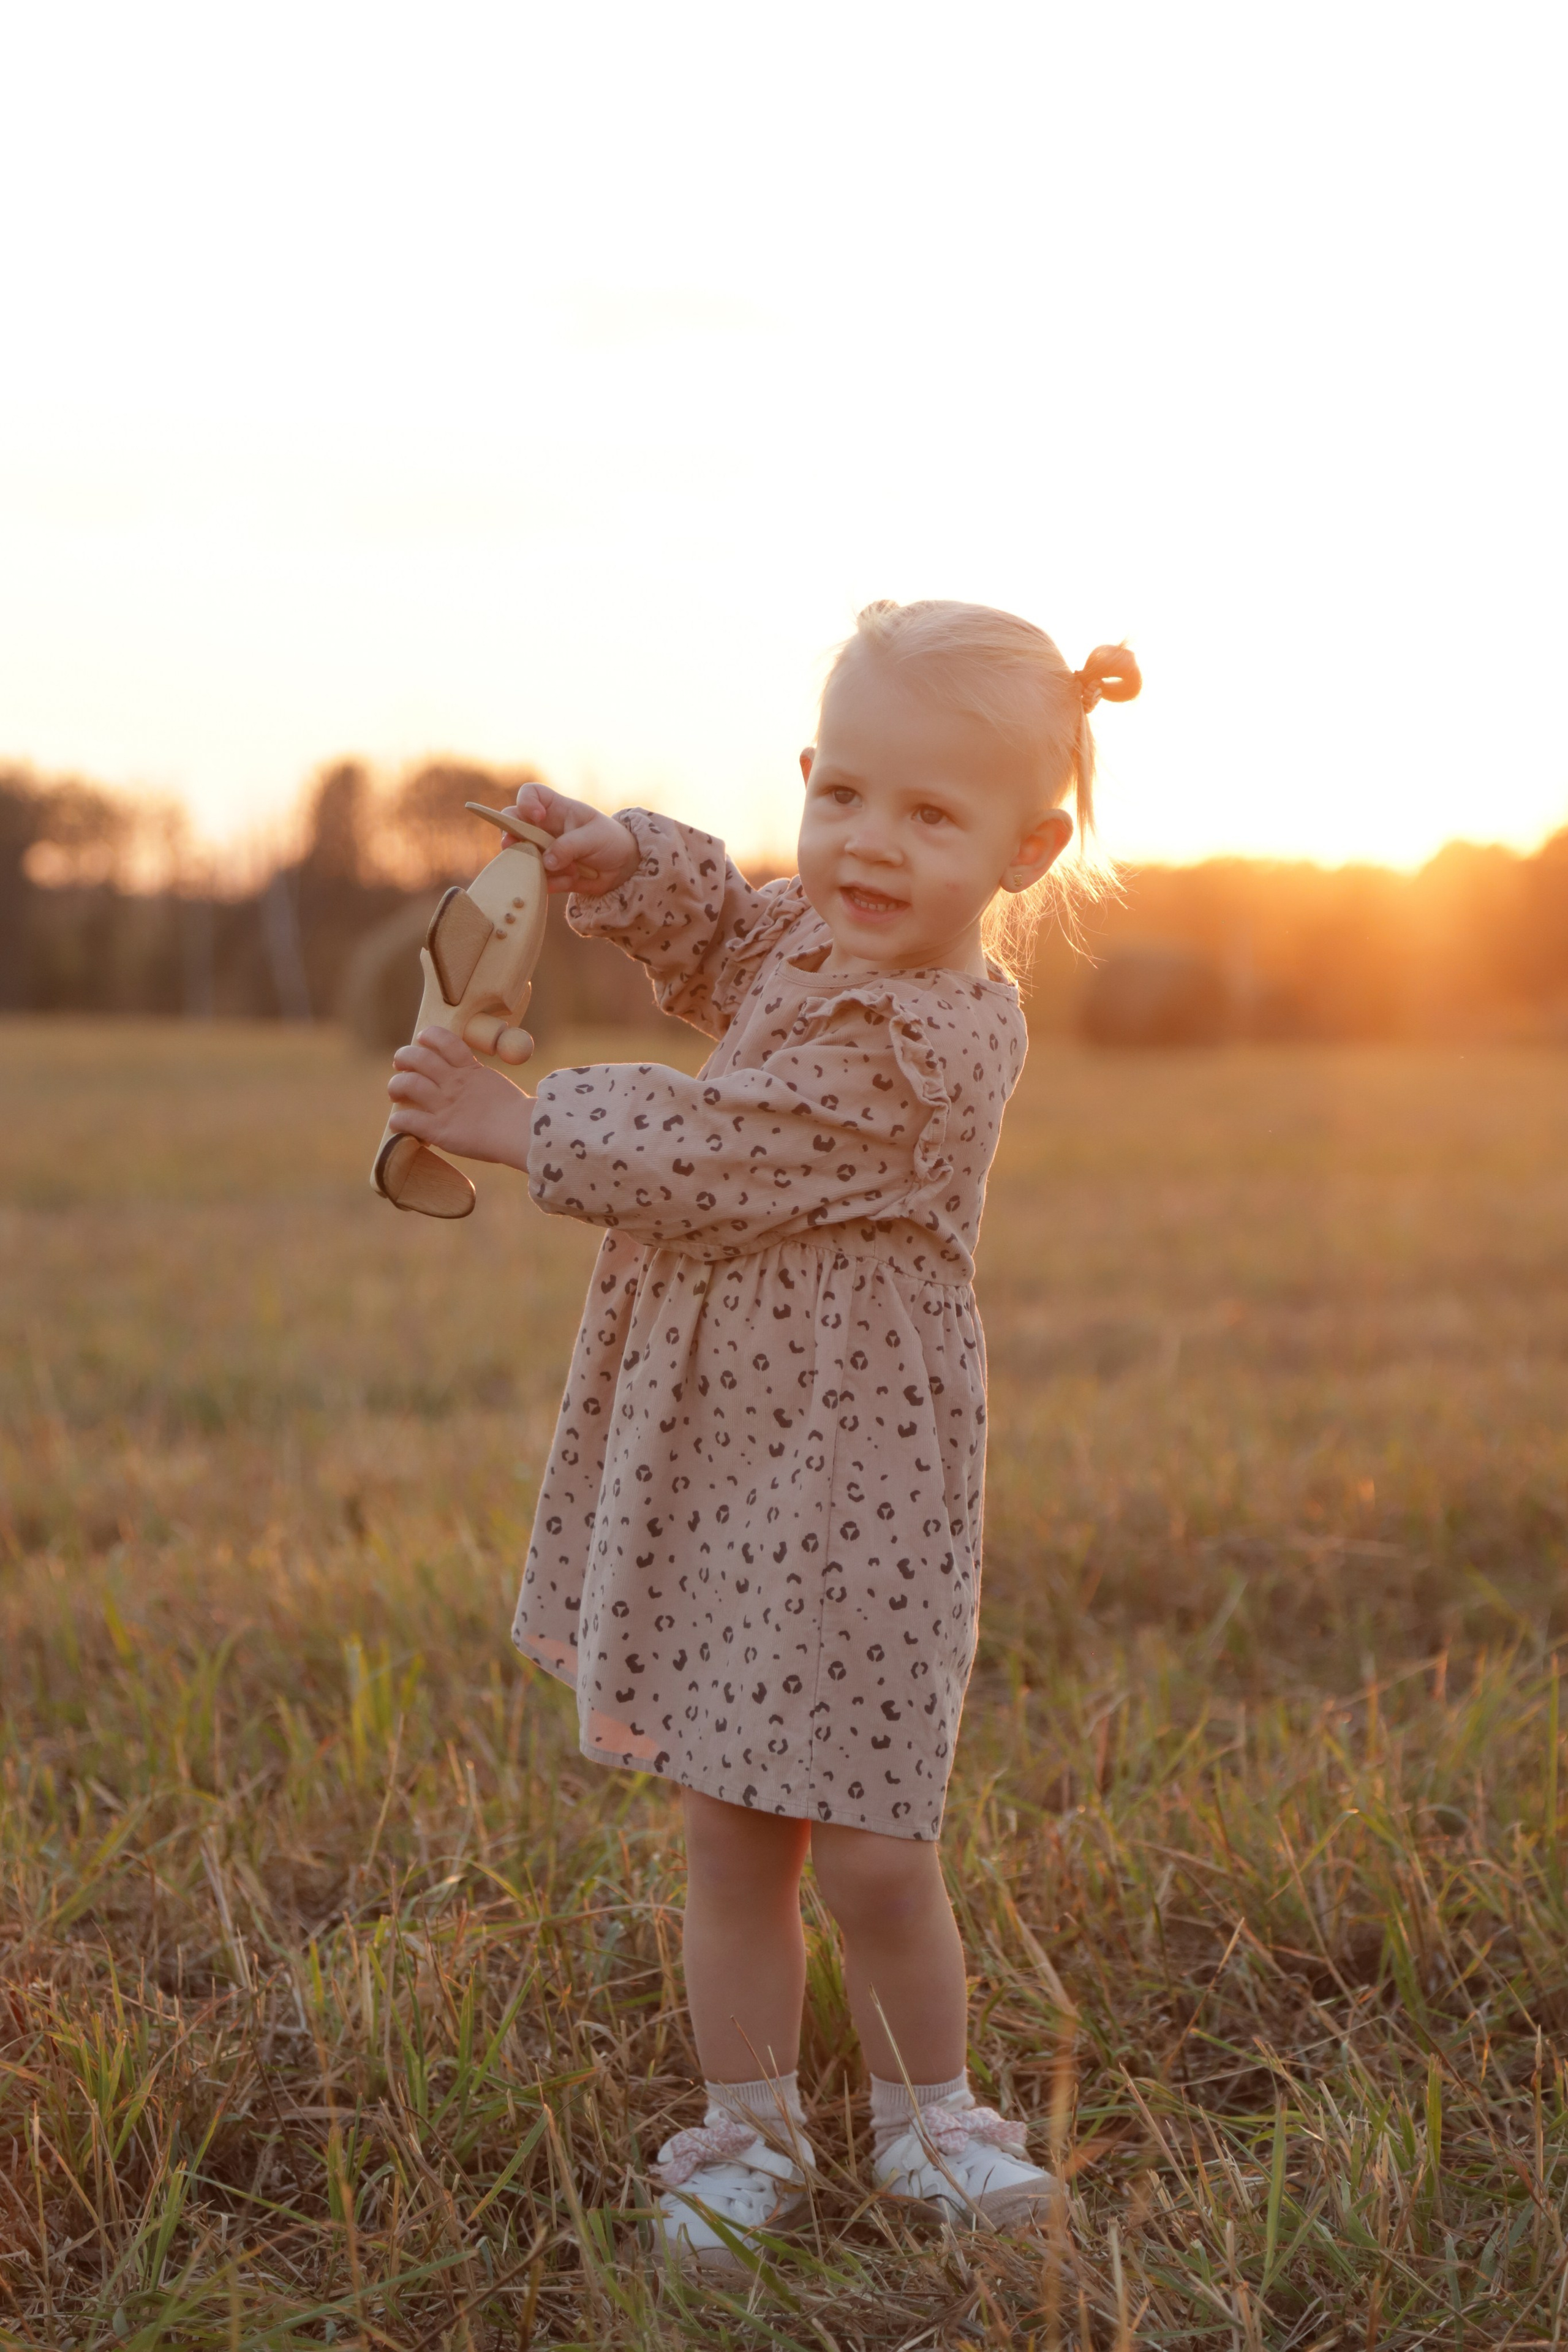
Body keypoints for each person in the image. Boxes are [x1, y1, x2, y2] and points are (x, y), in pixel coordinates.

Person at [385, 598, 1140, 2267]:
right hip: (728, 1454)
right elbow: (727, 933)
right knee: (730, 1821)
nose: (872, 847)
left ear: (1027, 847)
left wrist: (518, 1129)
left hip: (859, 1478)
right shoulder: (816, 940)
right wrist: (614, 866)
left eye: (931, 817)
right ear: (808, 776)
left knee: (870, 1838)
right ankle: (747, 2126)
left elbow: (720, 1152)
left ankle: (928, 2117)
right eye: (848, 796)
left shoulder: (938, 1035)